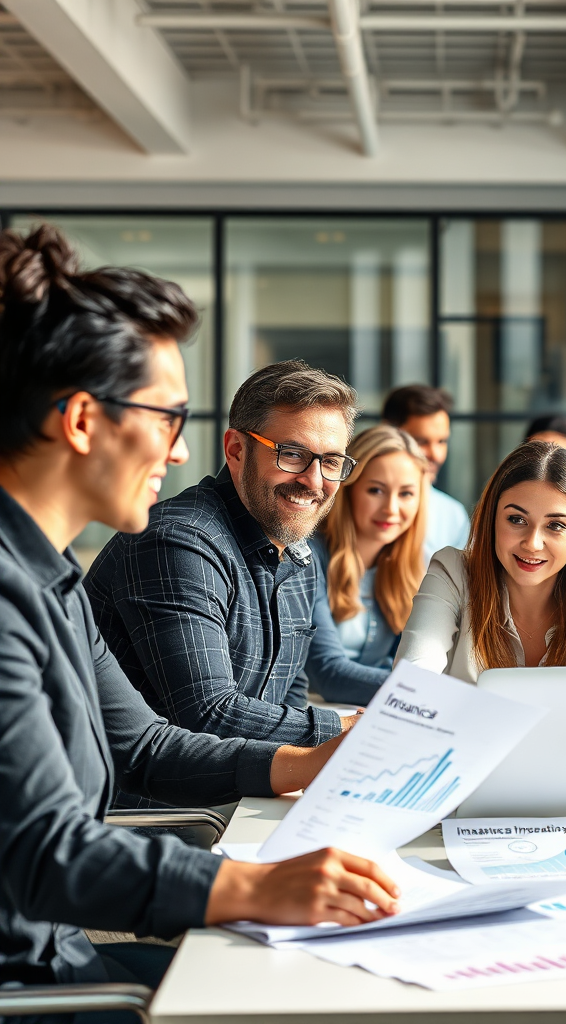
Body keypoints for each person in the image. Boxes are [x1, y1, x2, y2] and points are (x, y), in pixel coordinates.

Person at [0, 225, 398, 989]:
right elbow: (44, 852)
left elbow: (146, 745)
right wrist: (252, 887)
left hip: (70, 956)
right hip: (34, 986)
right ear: (82, 421)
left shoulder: (54, 580)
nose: (180, 451)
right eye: (167, 418)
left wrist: (310, 760)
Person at [85, 360, 379, 749]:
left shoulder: (298, 551)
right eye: (292, 454)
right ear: (236, 450)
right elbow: (209, 713)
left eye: (331, 462)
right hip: (145, 788)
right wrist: (347, 728)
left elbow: (290, 692)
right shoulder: (179, 542)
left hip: (238, 779)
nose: (314, 481)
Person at [395, 440, 566, 683]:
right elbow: (410, 683)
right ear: (492, 519)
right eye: (516, 519)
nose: (532, 543)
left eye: (555, 525)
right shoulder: (453, 572)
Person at [305, 425, 429, 702]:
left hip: (378, 712)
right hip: (313, 714)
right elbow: (328, 675)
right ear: (347, 490)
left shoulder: (422, 564)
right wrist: (428, 688)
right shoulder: (308, 556)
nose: (391, 509)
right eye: (376, 490)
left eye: (406, 494)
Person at [382, 384, 470, 561]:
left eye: (442, 441)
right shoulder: (355, 503)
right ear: (387, 434)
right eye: (421, 441)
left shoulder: (453, 515)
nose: (436, 455)